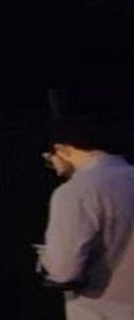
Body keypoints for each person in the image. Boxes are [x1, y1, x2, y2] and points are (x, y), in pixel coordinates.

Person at [40, 119, 134, 319]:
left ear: (62, 149)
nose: (54, 168)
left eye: (49, 159)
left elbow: (64, 271)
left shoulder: (75, 192)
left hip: (103, 311)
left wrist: (45, 258)